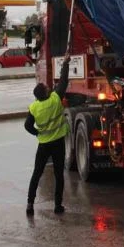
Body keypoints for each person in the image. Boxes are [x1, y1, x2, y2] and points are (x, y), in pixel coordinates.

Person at [24, 56, 70, 216]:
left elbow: (27, 126)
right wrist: (66, 63)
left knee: (37, 173)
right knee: (59, 175)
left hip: (43, 144)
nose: (48, 87)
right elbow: (64, 81)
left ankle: (30, 204)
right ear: (45, 93)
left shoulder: (34, 107)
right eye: (46, 87)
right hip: (58, 143)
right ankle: (58, 206)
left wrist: (38, 132)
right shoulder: (55, 100)